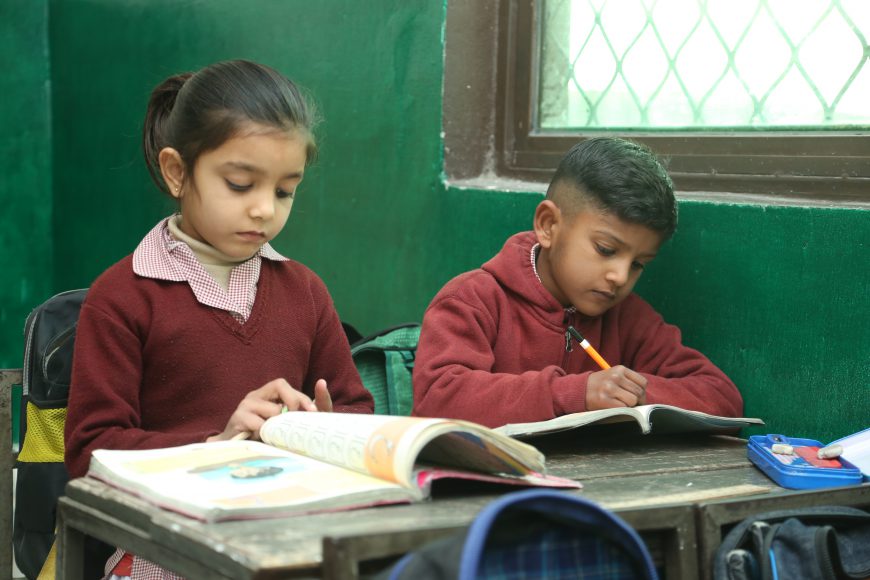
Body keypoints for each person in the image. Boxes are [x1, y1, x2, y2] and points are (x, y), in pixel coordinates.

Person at [64, 60, 374, 579]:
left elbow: (355, 409)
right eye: (239, 184)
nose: (263, 211)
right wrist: (217, 445)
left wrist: (324, 429)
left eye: (283, 191)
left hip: (289, 534)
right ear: (177, 172)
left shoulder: (305, 292)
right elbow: (90, 451)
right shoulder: (122, 298)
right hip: (165, 547)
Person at [412, 137, 742, 428]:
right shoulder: (473, 301)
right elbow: (437, 400)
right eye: (606, 250)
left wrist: (628, 392)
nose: (620, 277)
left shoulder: (627, 317)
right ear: (548, 225)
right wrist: (573, 393)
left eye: (638, 264)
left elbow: (720, 395)